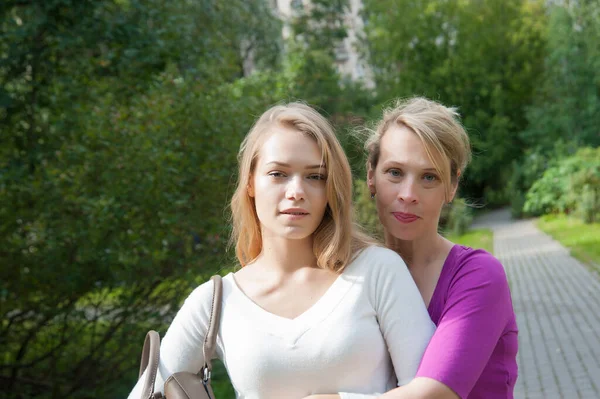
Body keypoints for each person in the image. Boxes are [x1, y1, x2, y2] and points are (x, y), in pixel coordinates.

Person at [127, 102, 435, 399]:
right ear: (250, 182)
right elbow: (147, 392)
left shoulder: (378, 271)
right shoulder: (215, 302)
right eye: (278, 174)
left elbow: (432, 393)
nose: (297, 192)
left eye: (315, 177)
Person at [367, 97, 518, 399]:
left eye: (429, 177)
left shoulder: (478, 275)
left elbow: (434, 394)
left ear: (451, 187)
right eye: (395, 172)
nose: (408, 194)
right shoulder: (353, 273)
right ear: (371, 176)